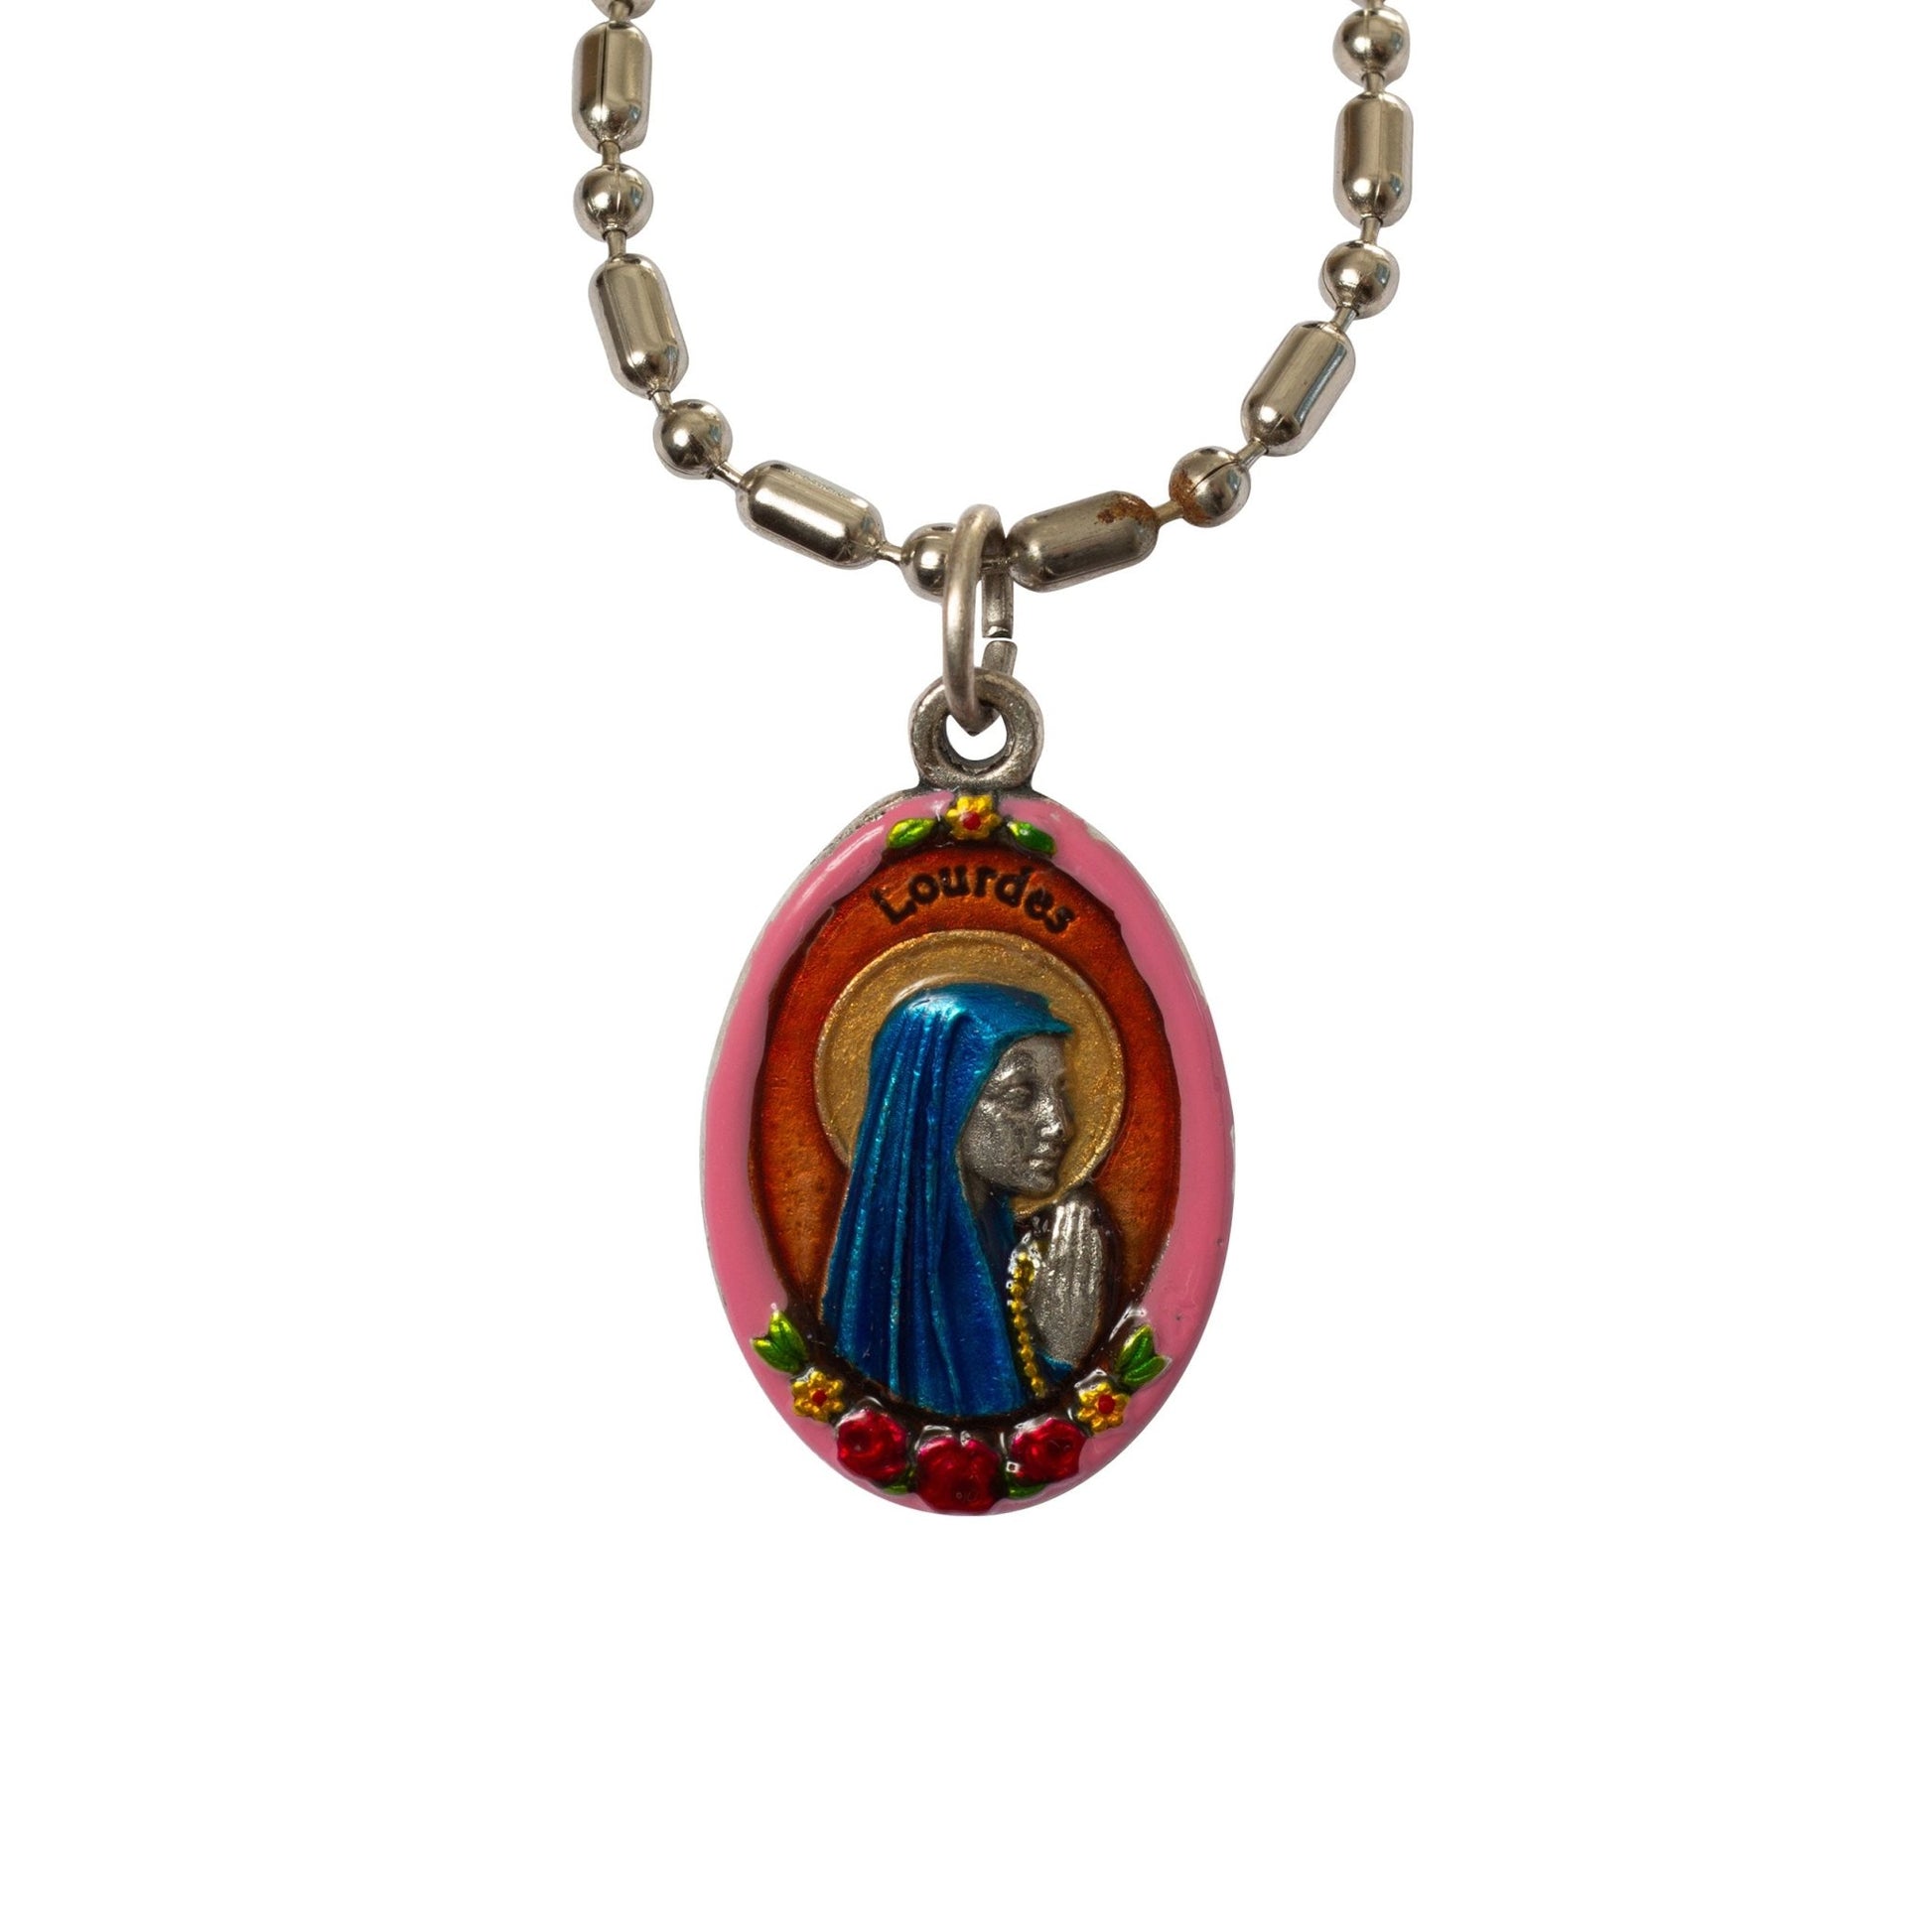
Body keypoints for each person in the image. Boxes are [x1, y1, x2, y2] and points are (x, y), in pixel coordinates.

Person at [821, 982, 1115, 1418]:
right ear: (942, 1107)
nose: (1060, 1124)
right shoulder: (894, 1296)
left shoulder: (1016, 1252)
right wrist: (1057, 1357)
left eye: (1060, 1091)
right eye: (1021, 1095)